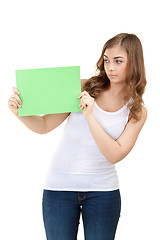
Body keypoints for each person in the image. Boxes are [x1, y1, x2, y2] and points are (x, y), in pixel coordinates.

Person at [8, 33, 147, 240]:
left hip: (103, 192)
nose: (110, 67)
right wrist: (18, 113)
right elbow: (45, 125)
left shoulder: (136, 110)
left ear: (134, 63)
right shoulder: (84, 87)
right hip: (59, 189)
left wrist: (90, 115)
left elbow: (114, 154)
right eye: (107, 60)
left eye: (118, 61)